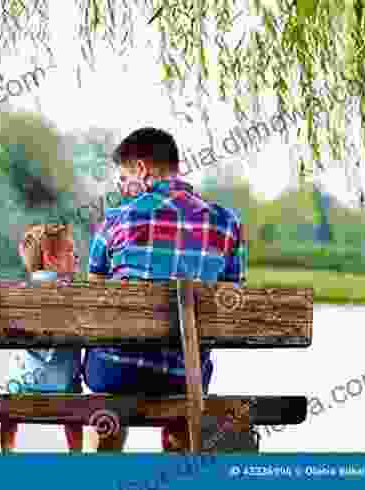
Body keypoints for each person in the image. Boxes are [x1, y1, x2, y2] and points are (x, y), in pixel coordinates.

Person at [84, 127, 247, 452]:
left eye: (123, 178)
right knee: (187, 387)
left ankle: (100, 465)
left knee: (109, 389)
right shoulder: (226, 224)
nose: (122, 188)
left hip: (116, 373)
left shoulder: (116, 221)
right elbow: (232, 301)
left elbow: (91, 301)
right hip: (186, 375)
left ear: (142, 170)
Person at [0, 223, 84, 452]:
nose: (77, 256)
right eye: (70, 251)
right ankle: (76, 455)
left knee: (8, 397)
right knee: (75, 398)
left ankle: (7, 449)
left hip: (23, 384)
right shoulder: (74, 291)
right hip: (66, 387)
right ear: (50, 259)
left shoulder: (19, 291)